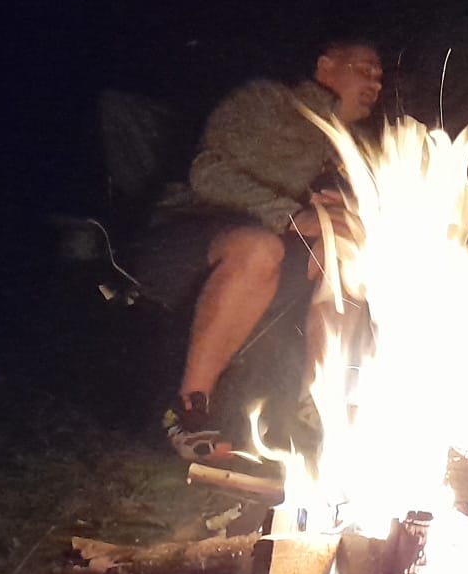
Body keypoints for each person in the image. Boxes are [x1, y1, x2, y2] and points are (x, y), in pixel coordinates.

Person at [130, 37, 384, 460]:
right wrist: (290, 214)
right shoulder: (268, 103)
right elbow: (207, 173)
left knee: (349, 252)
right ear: (325, 67)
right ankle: (189, 409)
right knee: (259, 249)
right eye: (364, 69)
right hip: (191, 231)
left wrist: (346, 211)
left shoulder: (354, 146)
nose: (375, 82)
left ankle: (314, 404)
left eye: (379, 75)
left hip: (279, 257)